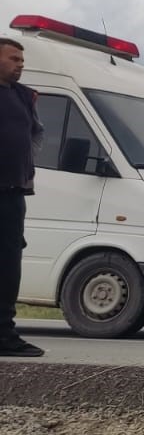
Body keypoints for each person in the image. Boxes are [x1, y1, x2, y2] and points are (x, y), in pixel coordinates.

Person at [0, 37, 45, 357]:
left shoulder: (22, 96)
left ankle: (4, 334)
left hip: (13, 193)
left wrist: (25, 166)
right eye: (14, 58)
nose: (20, 64)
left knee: (8, 266)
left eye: (21, 59)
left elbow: (35, 133)